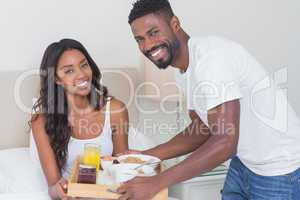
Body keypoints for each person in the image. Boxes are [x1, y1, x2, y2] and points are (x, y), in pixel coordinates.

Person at [117, 0, 300, 199]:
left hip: (281, 170)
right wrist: (147, 156)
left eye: (153, 32)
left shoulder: (211, 59)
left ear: (175, 24)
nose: (148, 45)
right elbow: (202, 128)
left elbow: (225, 141)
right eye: (139, 39)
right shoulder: (184, 70)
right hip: (245, 163)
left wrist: (157, 182)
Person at [31, 39, 129, 199]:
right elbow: (53, 186)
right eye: (69, 71)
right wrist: (62, 191)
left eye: (84, 65)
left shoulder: (116, 110)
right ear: (56, 79)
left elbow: (121, 168)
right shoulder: (41, 122)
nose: (82, 75)